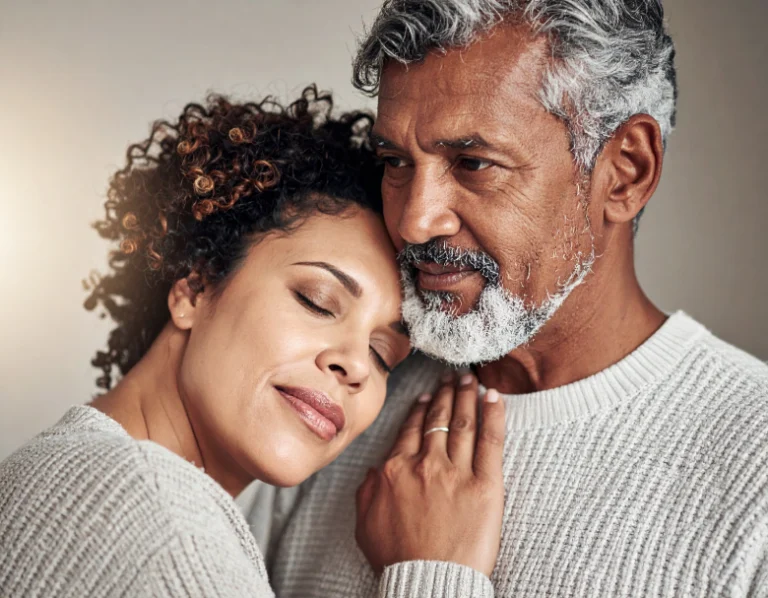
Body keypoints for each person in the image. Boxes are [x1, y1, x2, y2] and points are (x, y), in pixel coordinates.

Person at [244, 2, 768, 596]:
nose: (415, 222)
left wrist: (429, 579)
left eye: (472, 163)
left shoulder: (755, 476)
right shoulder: (337, 397)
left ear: (625, 172)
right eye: (395, 162)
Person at [0, 87, 507, 597]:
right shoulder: (170, 534)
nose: (354, 364)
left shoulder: (65, 470)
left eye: (382, 355)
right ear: (195, 289)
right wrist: (436, 577)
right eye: (317, 301)